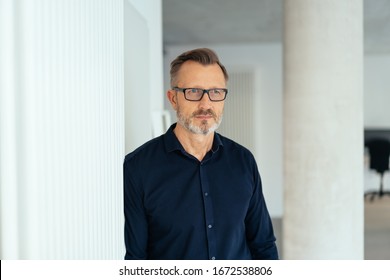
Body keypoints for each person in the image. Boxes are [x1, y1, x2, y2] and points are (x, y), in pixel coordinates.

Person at [123, 48, 278, 260]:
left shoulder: (243, 161)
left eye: (215, 92)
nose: (206, 104)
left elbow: (263, 244)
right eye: (194, 91)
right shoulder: (138, 167)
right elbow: (135, 259)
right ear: (173, 98)